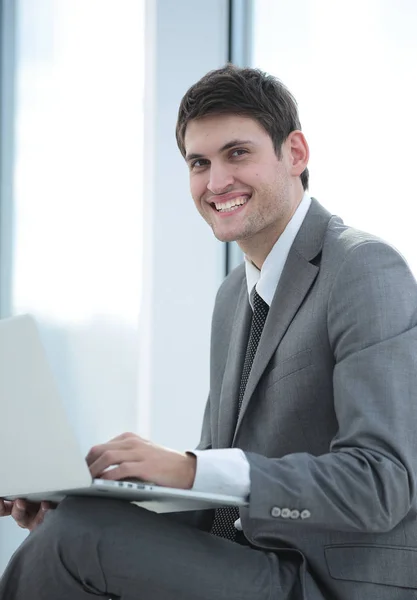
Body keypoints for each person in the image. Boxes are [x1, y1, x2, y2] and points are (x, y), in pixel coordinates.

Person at [1, 64, 417, 600]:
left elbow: (382, 484)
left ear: (295, 153)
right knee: (76, 524)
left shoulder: (363, 269)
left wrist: (189, 467)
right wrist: (87, 498)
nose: (217, 182)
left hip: (327, 582)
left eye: (237, 153)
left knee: (79, 540)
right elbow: (216, 488)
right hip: (247, 561)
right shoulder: (231, 298)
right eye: (200, 163)